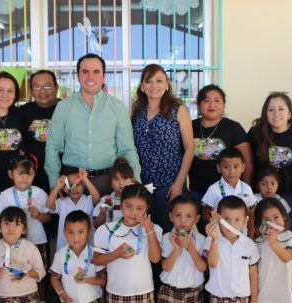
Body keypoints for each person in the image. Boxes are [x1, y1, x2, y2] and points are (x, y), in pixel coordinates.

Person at [45, 53, 141, 194]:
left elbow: (127, 149)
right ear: (78, 76)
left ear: (103, 76)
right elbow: (53, 147)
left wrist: (135, 181)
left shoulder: (117, 107)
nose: (90, 77)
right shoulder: (63, 107)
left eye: (96, 71)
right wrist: (54, 183)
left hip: (108, 182)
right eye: (85, 72)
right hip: (73, 182)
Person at [131, 64, 194, 232]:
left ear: (167, 85)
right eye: (149, 81)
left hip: (170, 187)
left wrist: (179, 182)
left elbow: (190, 148)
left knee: (171, 235)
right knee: (146, 235)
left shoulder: (178, 110)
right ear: (142, 87)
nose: (154, 86)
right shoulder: (137, 113)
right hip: (143, 186)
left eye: (159, 81)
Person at [0, 153, 51, 303]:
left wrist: (40, 215)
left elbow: (49, 217)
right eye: (20, 173)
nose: (25, 177)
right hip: (13, 245)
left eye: (29, 173)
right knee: (15, 275)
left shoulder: (39, 193)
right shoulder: (5, 195)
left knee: (37, 276)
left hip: (37, 241)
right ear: (11, 174)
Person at [247, 92, 292, 229]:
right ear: (265, 113)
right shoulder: (255, 133)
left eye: (281, 109)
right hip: (259, 194)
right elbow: (245, 163)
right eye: (271, 109)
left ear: (290, 113)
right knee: (259, 233)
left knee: (286, 233)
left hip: (287, 193)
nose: (276, 114)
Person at [189, 84, 253, 201]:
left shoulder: (233, 128)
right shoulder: (190, 127)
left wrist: (244, 191)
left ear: (223, 105)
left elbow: (247, 162)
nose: (212, 105)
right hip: (196, 192)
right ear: (199, 105)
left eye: (217, 100)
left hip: (227, 194)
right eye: (206, 100)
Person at [200, 148, 256, 229]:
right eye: (226, 167)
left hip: (241, 235)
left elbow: (252, 214)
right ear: (219, 168)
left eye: (236, 167)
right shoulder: (214, 189)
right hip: (220, 236)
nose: (231, 171)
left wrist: (250, 238)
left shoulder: (247, 189)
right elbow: (206, 213)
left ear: (243, 167)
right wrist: (219, 226)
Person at [46, 167, 100, 251]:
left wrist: (85, 179)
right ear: (64, 188)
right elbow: (49, 205)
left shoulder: (88, 200)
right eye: (70, 185)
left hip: (87, 248)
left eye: (78, 184)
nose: (74, 188)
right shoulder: (62, 202)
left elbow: (96, 198)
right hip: (64, 247)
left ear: (84, 186)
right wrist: (57, 187)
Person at [92, 157, 136, 228]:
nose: (121, 183)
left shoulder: (137, 200)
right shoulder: (106, 200)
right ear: (111, 184)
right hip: (109, 237)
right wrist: (102, 214)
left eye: (124, 178)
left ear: (133, 180)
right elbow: (95, 225)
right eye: (116, 179)